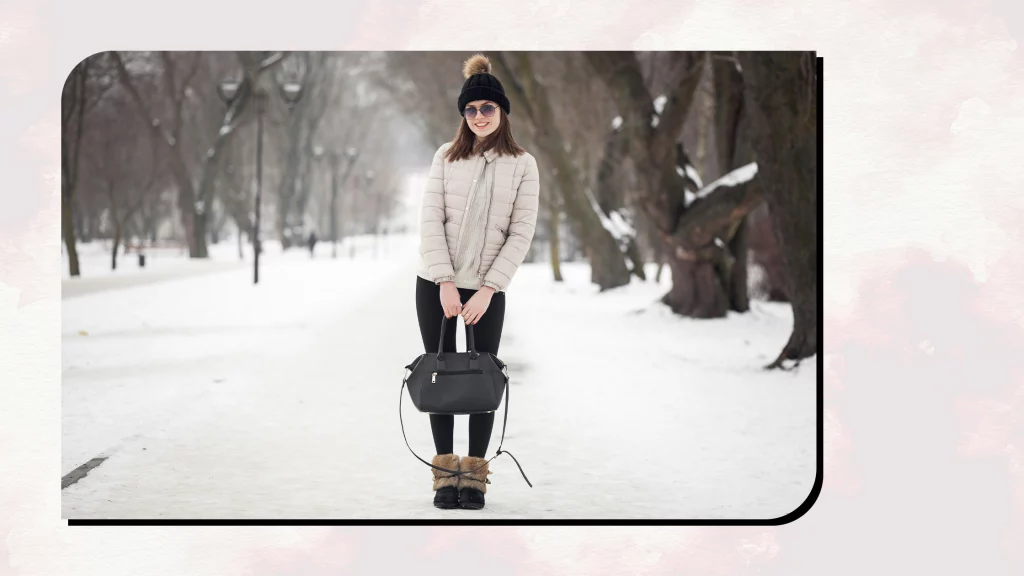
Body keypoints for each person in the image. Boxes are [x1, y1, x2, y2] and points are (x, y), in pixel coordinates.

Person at [415, 53, 540, 510]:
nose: (480, 116)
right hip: (436, 283)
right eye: (471, 110)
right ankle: (446, 478)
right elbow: (431, 220)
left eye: (488, 108)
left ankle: (475, 478)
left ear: (502, 111)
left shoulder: (524, 164)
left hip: (489, 288)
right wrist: (444, 281)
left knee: (483, 378)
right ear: (463, 115)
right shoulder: (445, 158)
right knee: (443, 374)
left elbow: (520, 231)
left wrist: (488, 288)